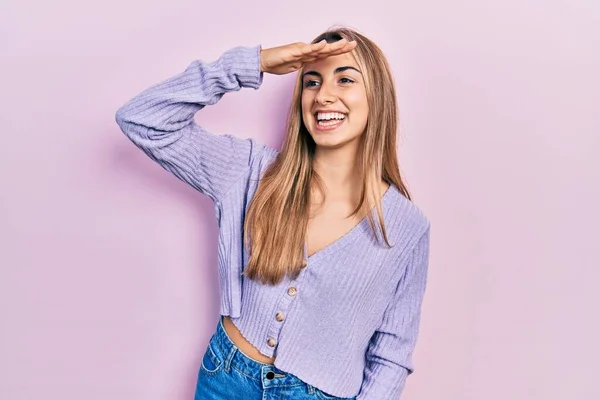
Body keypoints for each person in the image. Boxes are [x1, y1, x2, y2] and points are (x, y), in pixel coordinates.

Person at [115, 26, 431, 400]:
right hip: (225, 379)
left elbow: (391, 355)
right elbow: (141, 119)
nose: (324, 95)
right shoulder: (250, 171)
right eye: (311, 82)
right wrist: (256, 63)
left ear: (377, 97)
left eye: (345, 79)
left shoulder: (407, 227)